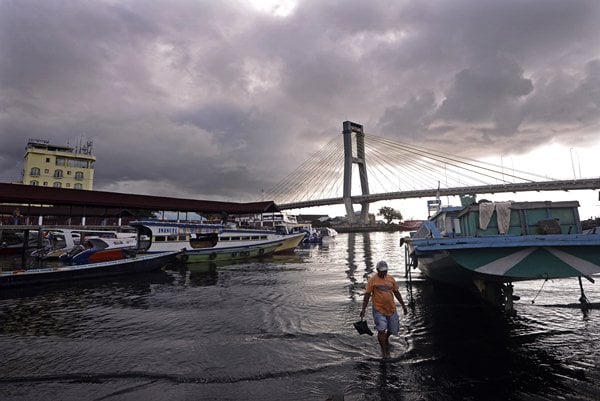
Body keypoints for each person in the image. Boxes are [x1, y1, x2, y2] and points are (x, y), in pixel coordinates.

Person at [360, 260, 408, 358]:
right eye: (382, 271)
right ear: (377, 270)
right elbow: (367, 295)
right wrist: (363, 309)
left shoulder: (391, 279)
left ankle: (386, 337)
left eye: (385, 271)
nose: (384, 273)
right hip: (379, 309)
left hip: (391, 308)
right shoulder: (372, 280)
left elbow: (396, 292)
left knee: (394, 329)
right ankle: (384, 351)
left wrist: (403, 305)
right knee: (381, 329)